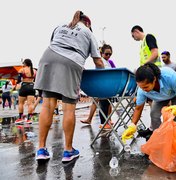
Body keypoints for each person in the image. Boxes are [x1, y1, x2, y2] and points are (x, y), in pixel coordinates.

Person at [34, 10, 104, 163]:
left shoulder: (60, 26)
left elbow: (56, 45)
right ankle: (68, 151)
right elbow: (98, 62)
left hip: (48, 57)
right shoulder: (89, 33)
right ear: (88, 24)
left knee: (47, 105)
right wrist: (104, 77)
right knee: (68, 108)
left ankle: (41, 150)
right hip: (71, 62)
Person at [122, 62, 176, 143]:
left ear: (154, 79)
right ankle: (159, 137)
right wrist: (132, 125)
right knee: (154, 114)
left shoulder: (169, 76)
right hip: (160, 98)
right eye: (141, 87)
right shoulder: (142, 90)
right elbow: (138, 108)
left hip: (174, 93)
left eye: (146, 87)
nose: (143, 89)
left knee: (174, 117)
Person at [80, 44, 116, 129]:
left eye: (110, 54)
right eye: (106, 54)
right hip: (101, 84)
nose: (108, 56)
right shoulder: (101, 61)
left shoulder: (108, 62)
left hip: (105, 85)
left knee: (104, 102)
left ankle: (106, 121)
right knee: (100, 101)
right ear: (101, 53)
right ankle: (103, 122)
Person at [15, 59, 37, 124]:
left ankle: (20, 118)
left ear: (25, 63)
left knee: (21, 103)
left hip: (24, 86)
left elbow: (19, 80)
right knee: (30, 104)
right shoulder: (34, 71)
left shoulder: (22, 70)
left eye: (23, 63)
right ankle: (29, 119)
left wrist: (17, 84)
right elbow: (35, 80)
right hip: (32, 86)